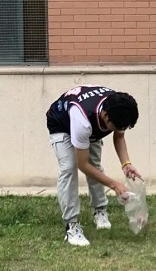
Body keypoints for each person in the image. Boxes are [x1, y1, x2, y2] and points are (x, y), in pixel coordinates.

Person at [46, 85, 141, 246]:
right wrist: (114, 185)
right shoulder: (83, 122)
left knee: (95, 165)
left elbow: (119, 137)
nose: (119, 130)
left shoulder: (119, 107)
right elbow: (82, 165)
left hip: (90, 123)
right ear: (105, 115)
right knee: (69, 168)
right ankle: (71, 226)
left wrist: (126, 163)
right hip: (61, 122)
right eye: (116, 127)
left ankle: (100, 211)